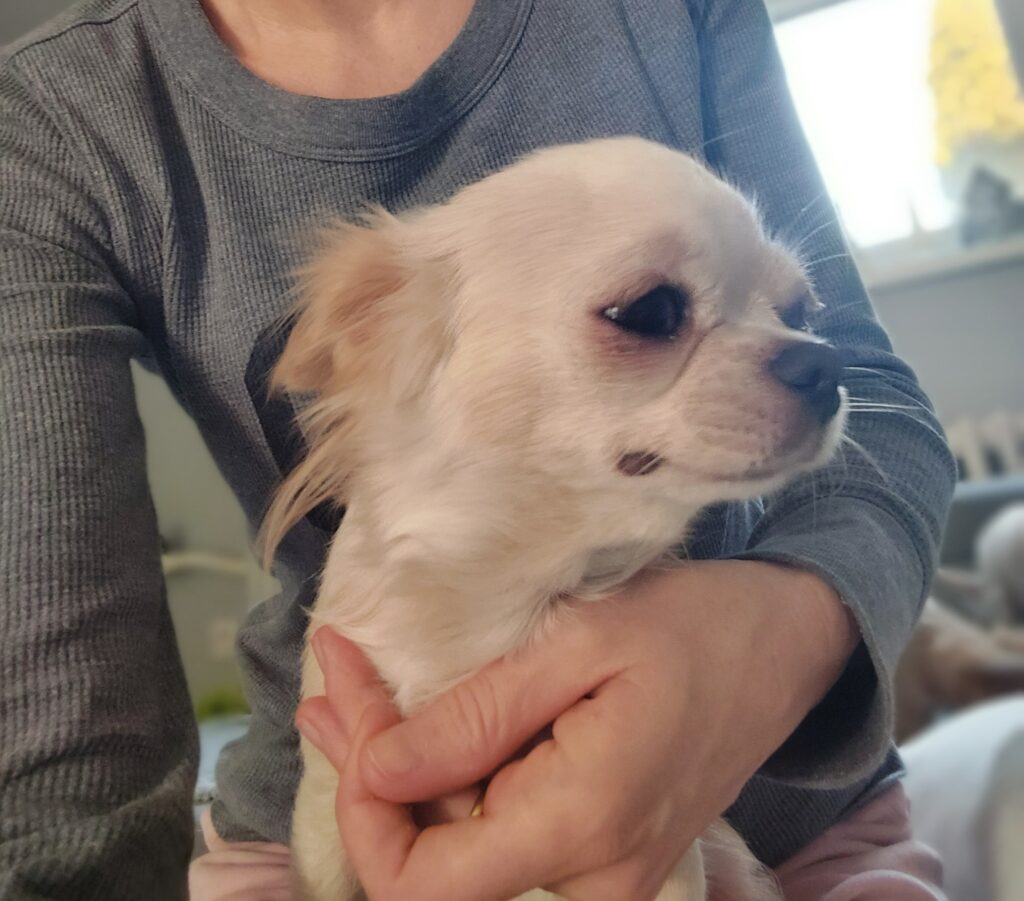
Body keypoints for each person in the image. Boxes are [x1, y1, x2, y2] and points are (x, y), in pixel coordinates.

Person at [0, 0, 956, 898]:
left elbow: (875, 401)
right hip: (325, 818)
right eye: (648, 313)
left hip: (788, 815)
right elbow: (67, 753)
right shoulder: (58, 118)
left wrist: (777, 637)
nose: (797, 356)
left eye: (794, 312)